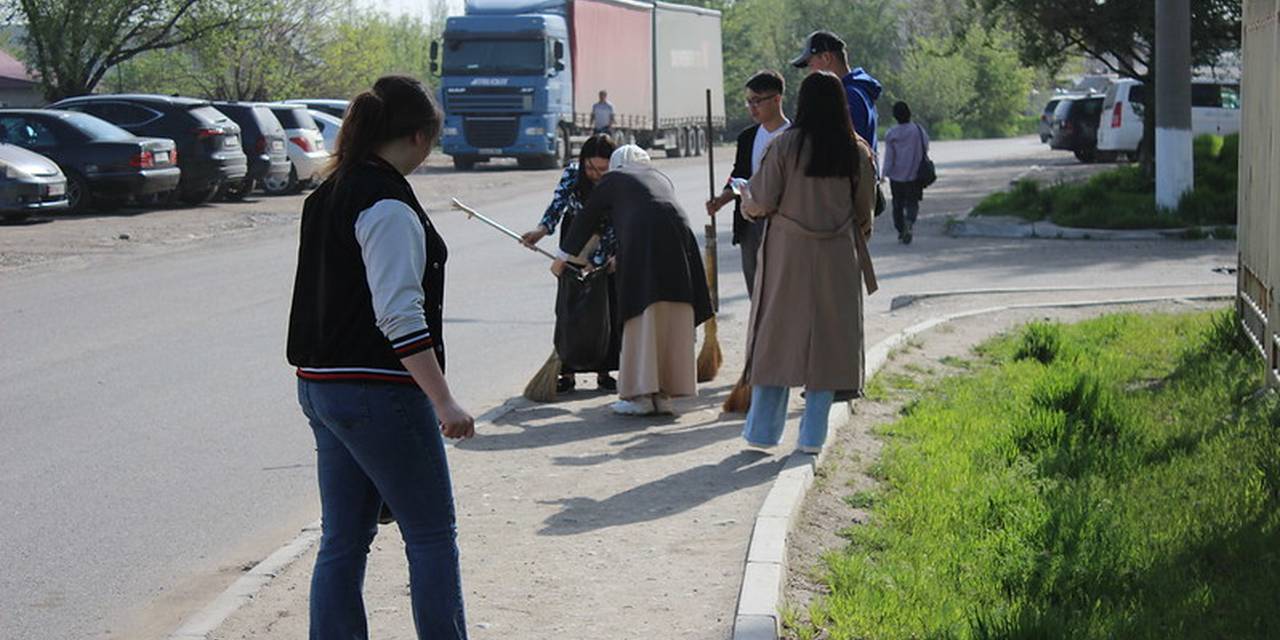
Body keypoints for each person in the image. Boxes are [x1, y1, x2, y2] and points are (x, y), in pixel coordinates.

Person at [286, 75, 473, 640]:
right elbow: (398, 315)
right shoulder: (387, 204)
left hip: (320, 385)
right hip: (377, 391)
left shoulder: (331, 189)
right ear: (419, 137)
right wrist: (443, 400)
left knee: (343, 538)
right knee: (431, 534)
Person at [736, 71, 878, 454]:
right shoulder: (857, 150)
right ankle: (813, 437)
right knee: (829, 345)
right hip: (838, 257)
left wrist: (747, 202)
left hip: (788, 254)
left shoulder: (785, 146)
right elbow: (865, 213)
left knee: (776, 339)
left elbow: (761, 201)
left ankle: (763, 433)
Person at [552, 145, 714, 416]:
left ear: (616, 164)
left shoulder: (614, 179)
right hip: (681, 251)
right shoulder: (659, 177)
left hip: (644, 252)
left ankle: (640, 396)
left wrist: (561, 258)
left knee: (643, 316)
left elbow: (587, 218)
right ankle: (663, 394)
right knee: (670, 314)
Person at [520, 134, 620, 392]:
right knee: (570, 308)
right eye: (590, 168)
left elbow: (620, 218)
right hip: (574, 243)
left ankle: (604, 370)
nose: (596, 175)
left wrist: (609, 256)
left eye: (602, 169)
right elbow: (558, 205)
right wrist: (541, 231)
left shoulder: (619, 178)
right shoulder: (572, 174)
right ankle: (567, 372)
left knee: (605, 307)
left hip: (607, 243)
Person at [706, 70, 791, 297]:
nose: (753, 107)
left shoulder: (794, 137)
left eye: (758, 101)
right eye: (749, 102)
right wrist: (722, 199)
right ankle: (759, 332)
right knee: (756, 290)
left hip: (784, 223)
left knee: (782, 291)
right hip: (750, 224)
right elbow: (740, 175)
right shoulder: (748, 137)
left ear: (776, 99)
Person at [790, 31, 882, 151]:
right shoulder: (858, 90)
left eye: (811, 65)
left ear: (826, 58)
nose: (810, 72)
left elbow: (848, 149)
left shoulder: (848, 96)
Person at [881, 101, 929, 245]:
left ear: (895, 116)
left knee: (897, 205)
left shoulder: (891, 133)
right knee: (912, 203)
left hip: (896, 176)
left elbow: (889, 157)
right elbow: (925, 147)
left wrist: (884, 174)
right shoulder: (918, 130)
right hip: (915, 175)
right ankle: (909, 222)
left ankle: (901, 229)